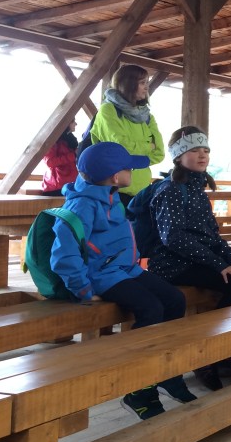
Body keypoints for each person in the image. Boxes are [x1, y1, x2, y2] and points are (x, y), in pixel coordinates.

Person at [50, 142, 196, 419]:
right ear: (116, 176)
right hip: (102, 275)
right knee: (151, 309)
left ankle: (166, 372)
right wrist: (83, 289)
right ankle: (138, 388)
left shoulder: (111, 195)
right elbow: (63, 254)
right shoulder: (82, 204)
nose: (133, 171)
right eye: (129, 168)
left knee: (175, 299)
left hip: (126, 269)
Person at [144, 126, 231, 390]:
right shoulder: (170, 189)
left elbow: (212, 236)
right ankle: (205, 356)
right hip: (172, 264)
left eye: (206, 150)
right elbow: (173, 237)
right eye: (194, 150)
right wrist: (219, 265)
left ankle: (228, 352)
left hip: (197, 260)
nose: (202, 155)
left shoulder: (197, 189)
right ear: (178, 156)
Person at [88, 64, 164, 205]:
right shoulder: (108, 110)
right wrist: (148, 147)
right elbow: (120, 148)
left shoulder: (147, 116)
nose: (146, 87)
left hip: (142, 193)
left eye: (147, 83)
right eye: (142, 83)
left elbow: (159, 153)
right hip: (113, 191)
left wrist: (131, 154)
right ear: (128, 84)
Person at [41, 121, 79, 195]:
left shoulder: (70, 139)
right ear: (65, 124)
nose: (76, 123)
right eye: (72, 121)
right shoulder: (52, 140)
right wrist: (73, 155)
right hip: (56, 187)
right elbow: (50, 162)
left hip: (70, 185)